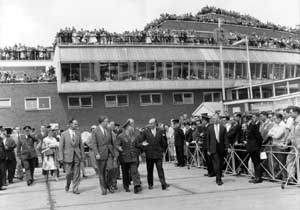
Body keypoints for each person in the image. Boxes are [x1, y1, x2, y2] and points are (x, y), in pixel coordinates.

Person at [138, 118, 169, 190]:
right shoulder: (145, 132)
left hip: (158, 154)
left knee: (160, 169)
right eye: (149, 123)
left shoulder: (160, 131)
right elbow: (141, 141)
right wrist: (144, 148)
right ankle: (150, 184)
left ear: (155, 124)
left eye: (151, 123)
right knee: (150, 170)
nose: (150, 125)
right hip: (149, 154)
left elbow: (164, 142)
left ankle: (163, 183)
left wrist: (163, 150)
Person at [58, 119, 84, 194]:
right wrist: (61, 157)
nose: (76, 125)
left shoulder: (78, 134)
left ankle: (75, 188)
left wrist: (82, 155)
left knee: (77, 173)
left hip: (77, 155)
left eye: (77, 124)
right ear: (70, 124)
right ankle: (68, 184)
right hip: (68, 156)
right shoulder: (64, 134)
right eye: (75, 124)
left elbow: (81, 146)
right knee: (68, 173)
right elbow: (61, 147)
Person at [117, 119, 142, 193]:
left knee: (134, 171)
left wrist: (142, 145)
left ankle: (136, 186)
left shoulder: (135, 135)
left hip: (133, 156)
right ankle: (126, 186)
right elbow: (117, 144)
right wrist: (119, 148)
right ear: (126, 127)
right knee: (125, 173)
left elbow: (137, 145)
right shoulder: (121, 136)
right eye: (130, 126)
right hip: (124, 157)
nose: (132, 127)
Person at [91, 116, 114, 195]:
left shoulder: (108, 130)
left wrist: (113, 151)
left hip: (109, 153)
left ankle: (109, 184)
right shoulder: (95, 131)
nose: (107, 123)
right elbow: (94, 144)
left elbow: (111, 142)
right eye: (106, 121)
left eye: (107, 121)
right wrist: (96, 153)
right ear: (101, 122)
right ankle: (103, 188)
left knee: (111, 169)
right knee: (102, 172)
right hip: (100, 154)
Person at [207, 114, 228, 185]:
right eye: (213, 119)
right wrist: (208, 150)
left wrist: (227, 147)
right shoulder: (210, 128)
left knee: (220, 163)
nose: (214, 120)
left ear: (218, 119)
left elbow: (225, 138)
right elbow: (208, 139)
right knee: (217, 163)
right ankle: (218, 179)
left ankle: (218, 175)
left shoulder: (223, 127)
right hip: (213, 148)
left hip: (221, 148)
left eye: (216, 118)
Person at [244, 114, 263, 184]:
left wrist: (258, 145)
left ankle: (258, 177)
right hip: (251, 147)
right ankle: (256, 176)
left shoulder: (254, 126)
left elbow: (258, 137)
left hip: (255, 147)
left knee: (257, 162)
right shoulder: (250, 125)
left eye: (253, 117)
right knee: (254, 162)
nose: (252, 119)